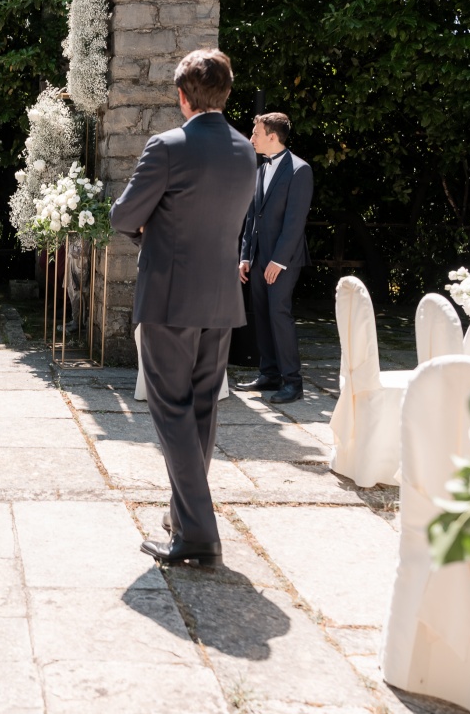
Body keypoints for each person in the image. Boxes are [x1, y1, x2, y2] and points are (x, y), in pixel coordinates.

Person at [108, 48, 255, 568]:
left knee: (171, 409)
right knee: (201, 409)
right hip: (221, 298)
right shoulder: (246, 150)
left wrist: (146, 231)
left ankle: (198, 534)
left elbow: (123, 215)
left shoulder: (168, 146)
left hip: (170, 297)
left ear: (181, 96)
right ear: (226, 93)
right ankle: (183, 516)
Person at [236, 112, 314, 404]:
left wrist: (279, 261)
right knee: (262, 315)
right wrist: (245, 256)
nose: (251, 139)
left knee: (279, 315)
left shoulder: (300, 170)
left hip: (284, 260)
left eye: (256, 133)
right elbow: (251, 217)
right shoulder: (260, 169)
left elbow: (295, 222)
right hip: (257, 257)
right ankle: (269, 374)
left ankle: (293, 382)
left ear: (272, 136)